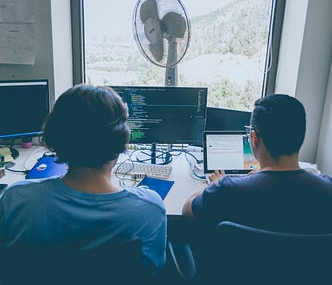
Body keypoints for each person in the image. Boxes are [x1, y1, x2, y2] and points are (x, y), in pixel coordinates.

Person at [0, 84, 167, 272]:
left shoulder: (15, 199)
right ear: (121, 140)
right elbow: (153, 271)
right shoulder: (150, 209)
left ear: (55, 138)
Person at [182, 94, 332, 234]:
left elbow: (187, 210)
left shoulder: (226, 190)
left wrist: (214, 186)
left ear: (254, 138)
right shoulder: (328, 189)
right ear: (301, 135)